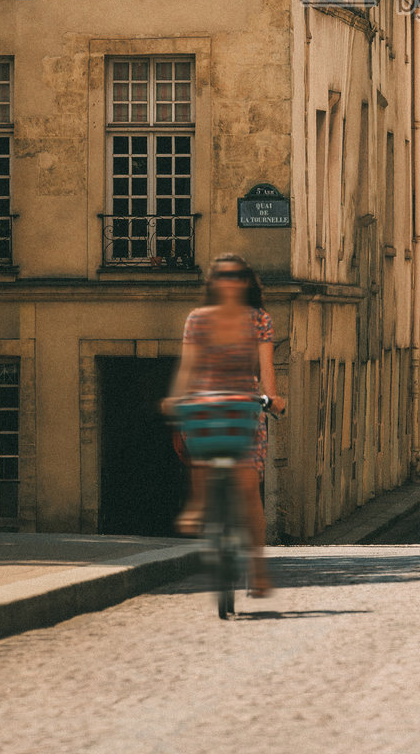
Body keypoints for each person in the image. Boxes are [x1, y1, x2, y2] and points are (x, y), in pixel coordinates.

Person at [166, 253, 285, 596]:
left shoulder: (259, 319)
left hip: (244, 406)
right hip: (205, 404)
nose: (230, 283)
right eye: (224, 277)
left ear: (246, 283)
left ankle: (258, 571)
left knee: (249, 490)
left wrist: (273, 398)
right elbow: (188, 368)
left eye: (237, 277)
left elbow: (266, 368)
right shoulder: (197, 320)